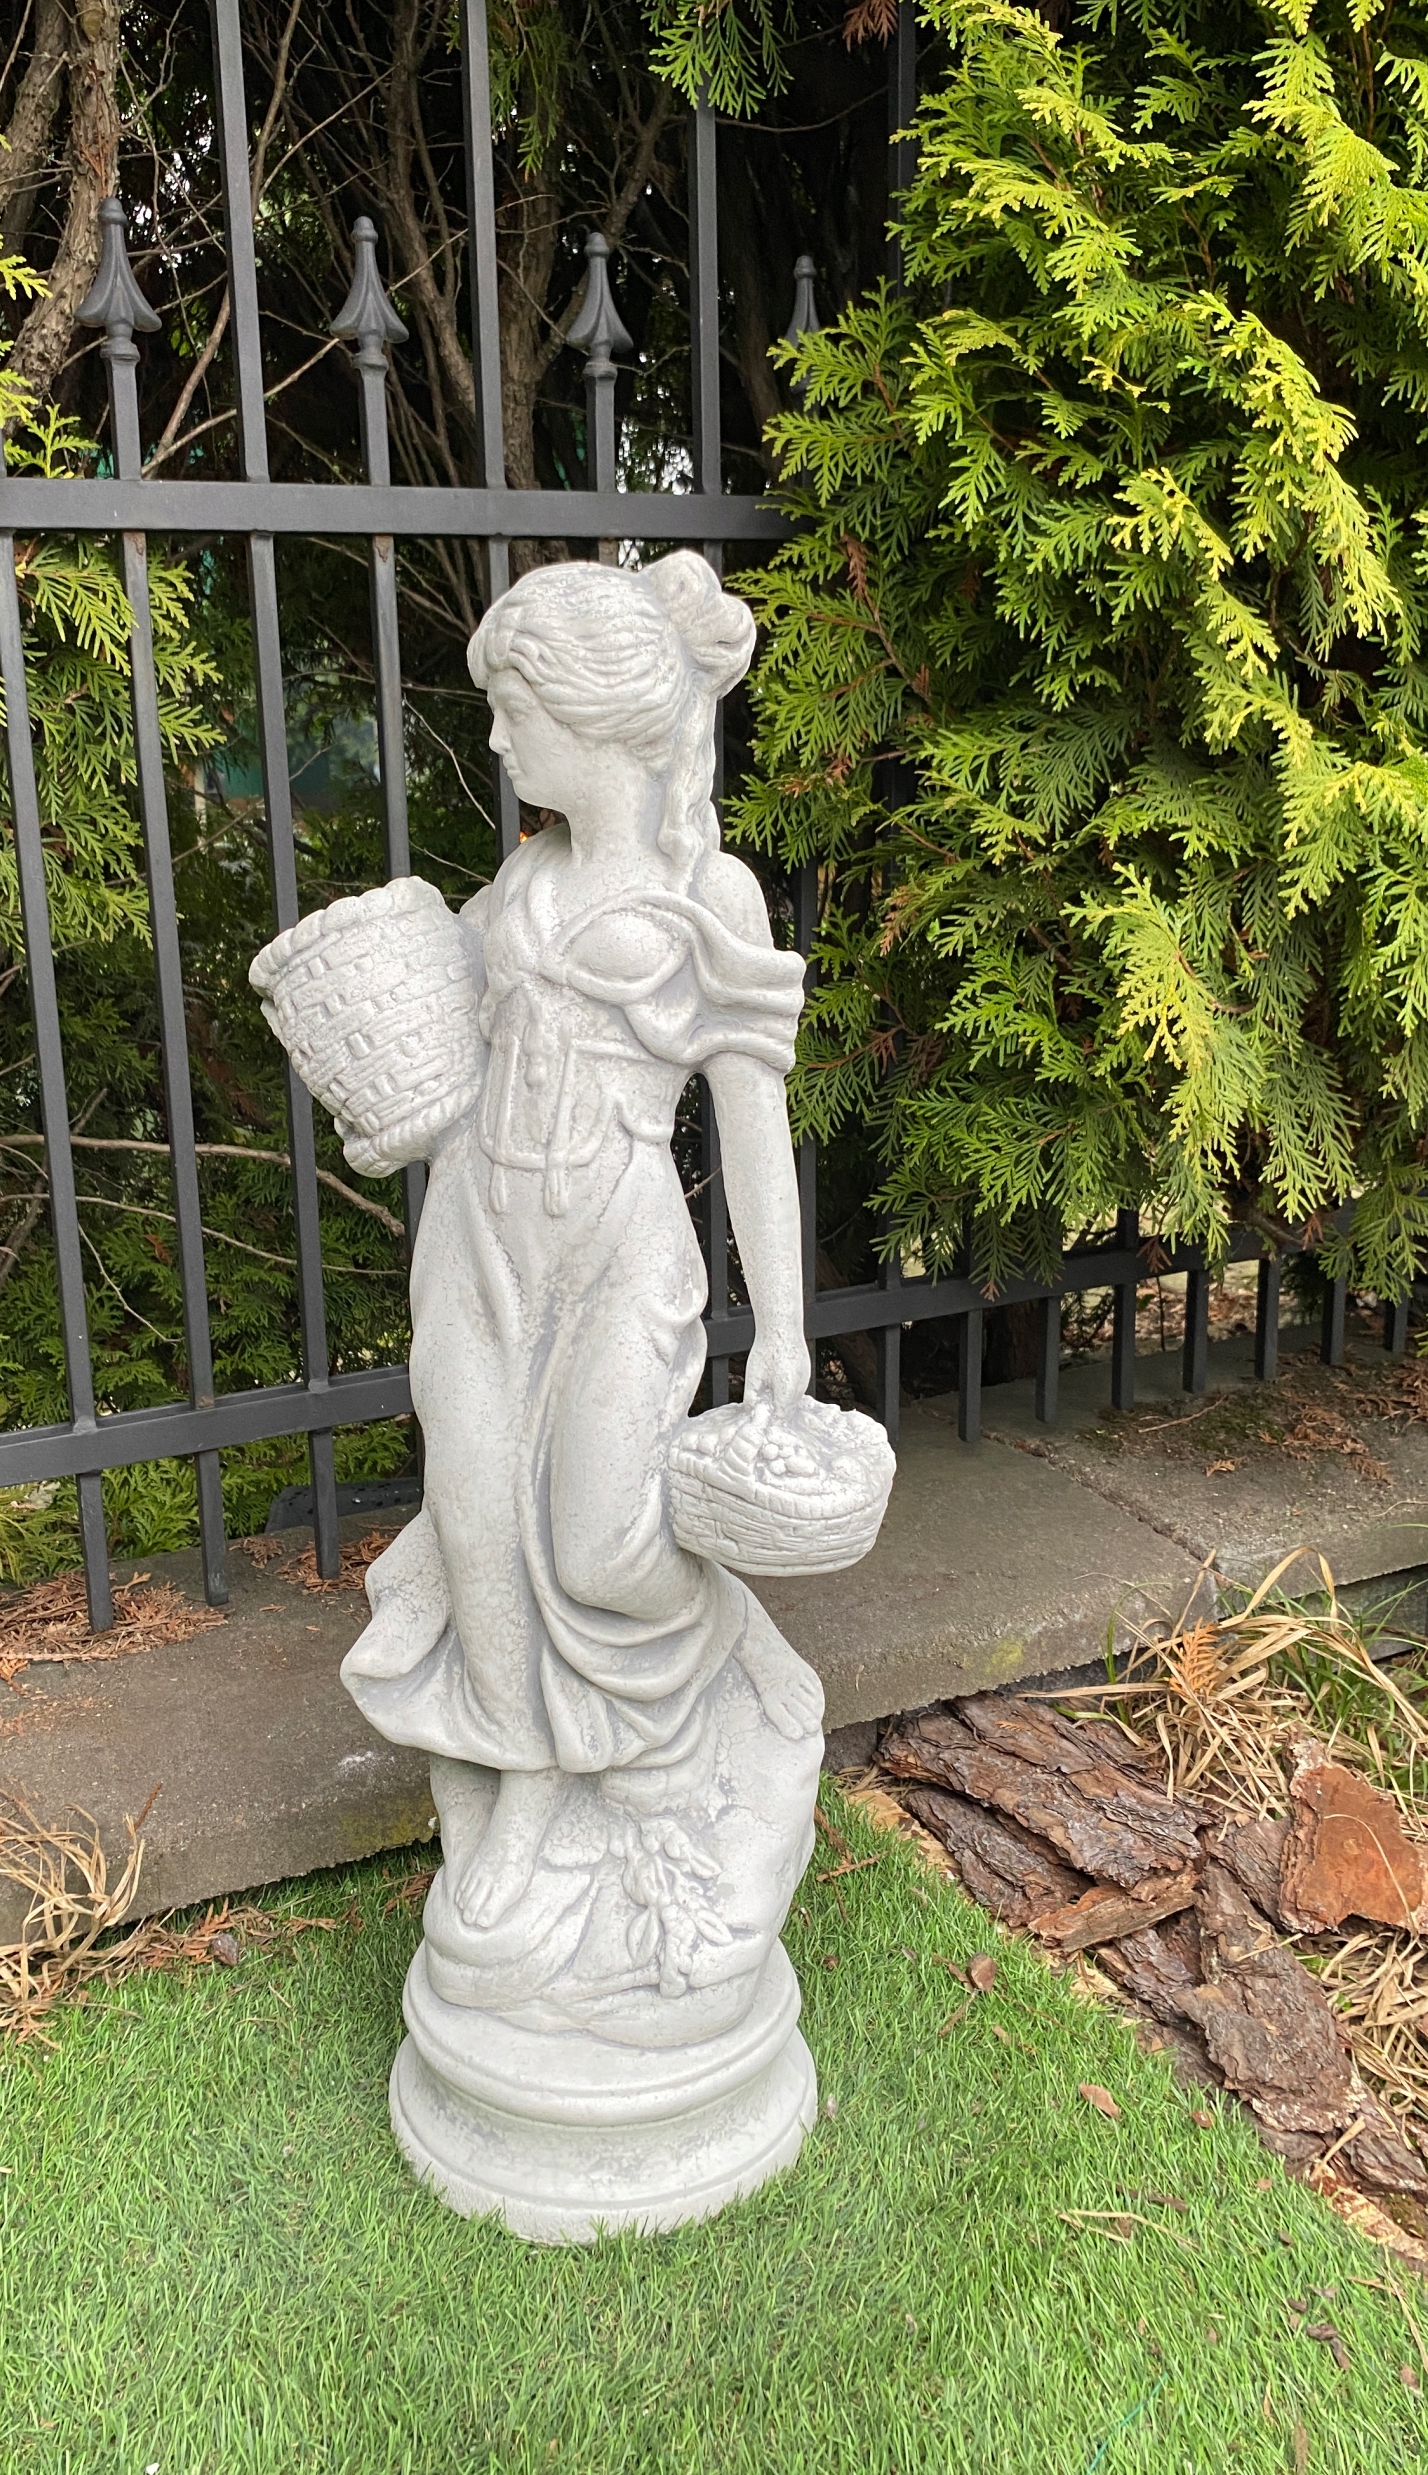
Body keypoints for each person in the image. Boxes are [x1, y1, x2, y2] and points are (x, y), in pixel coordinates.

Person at [342, 552, 824, 1933]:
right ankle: (528, 1792)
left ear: (594, 717)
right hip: (479, 1241)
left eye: (514, 713)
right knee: (479, 1528)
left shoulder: (714, 896)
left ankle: (725, 1650)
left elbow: (753, 1128)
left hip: (618, 1247)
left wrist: (784, 1329)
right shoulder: (520, 882)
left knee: (604, 1543)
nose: (497, 741)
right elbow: (441, 1049)